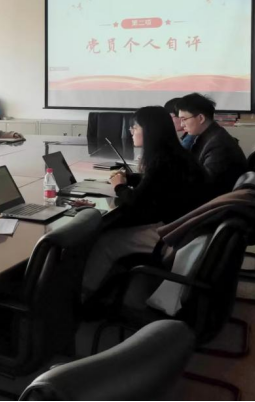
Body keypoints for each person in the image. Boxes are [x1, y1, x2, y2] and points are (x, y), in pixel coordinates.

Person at [82, 107, 209, 295]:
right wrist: (129, 179)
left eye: (134, 127)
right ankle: (108, 284)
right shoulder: (174, 155)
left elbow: (137, 203)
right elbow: (154, 183)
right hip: (182, 226)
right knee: (112, 228)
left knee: (105, 242)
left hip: (171, 235)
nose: (130, 132)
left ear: (149, 131)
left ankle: (85, 296)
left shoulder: (162, 161)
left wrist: (119, 187)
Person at [178, 93, 247, 197]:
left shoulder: (218, 145)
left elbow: (204, 185)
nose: (182, 124)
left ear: (201, 118)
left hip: (218, 202)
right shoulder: (212, 135)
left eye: (184, 119)